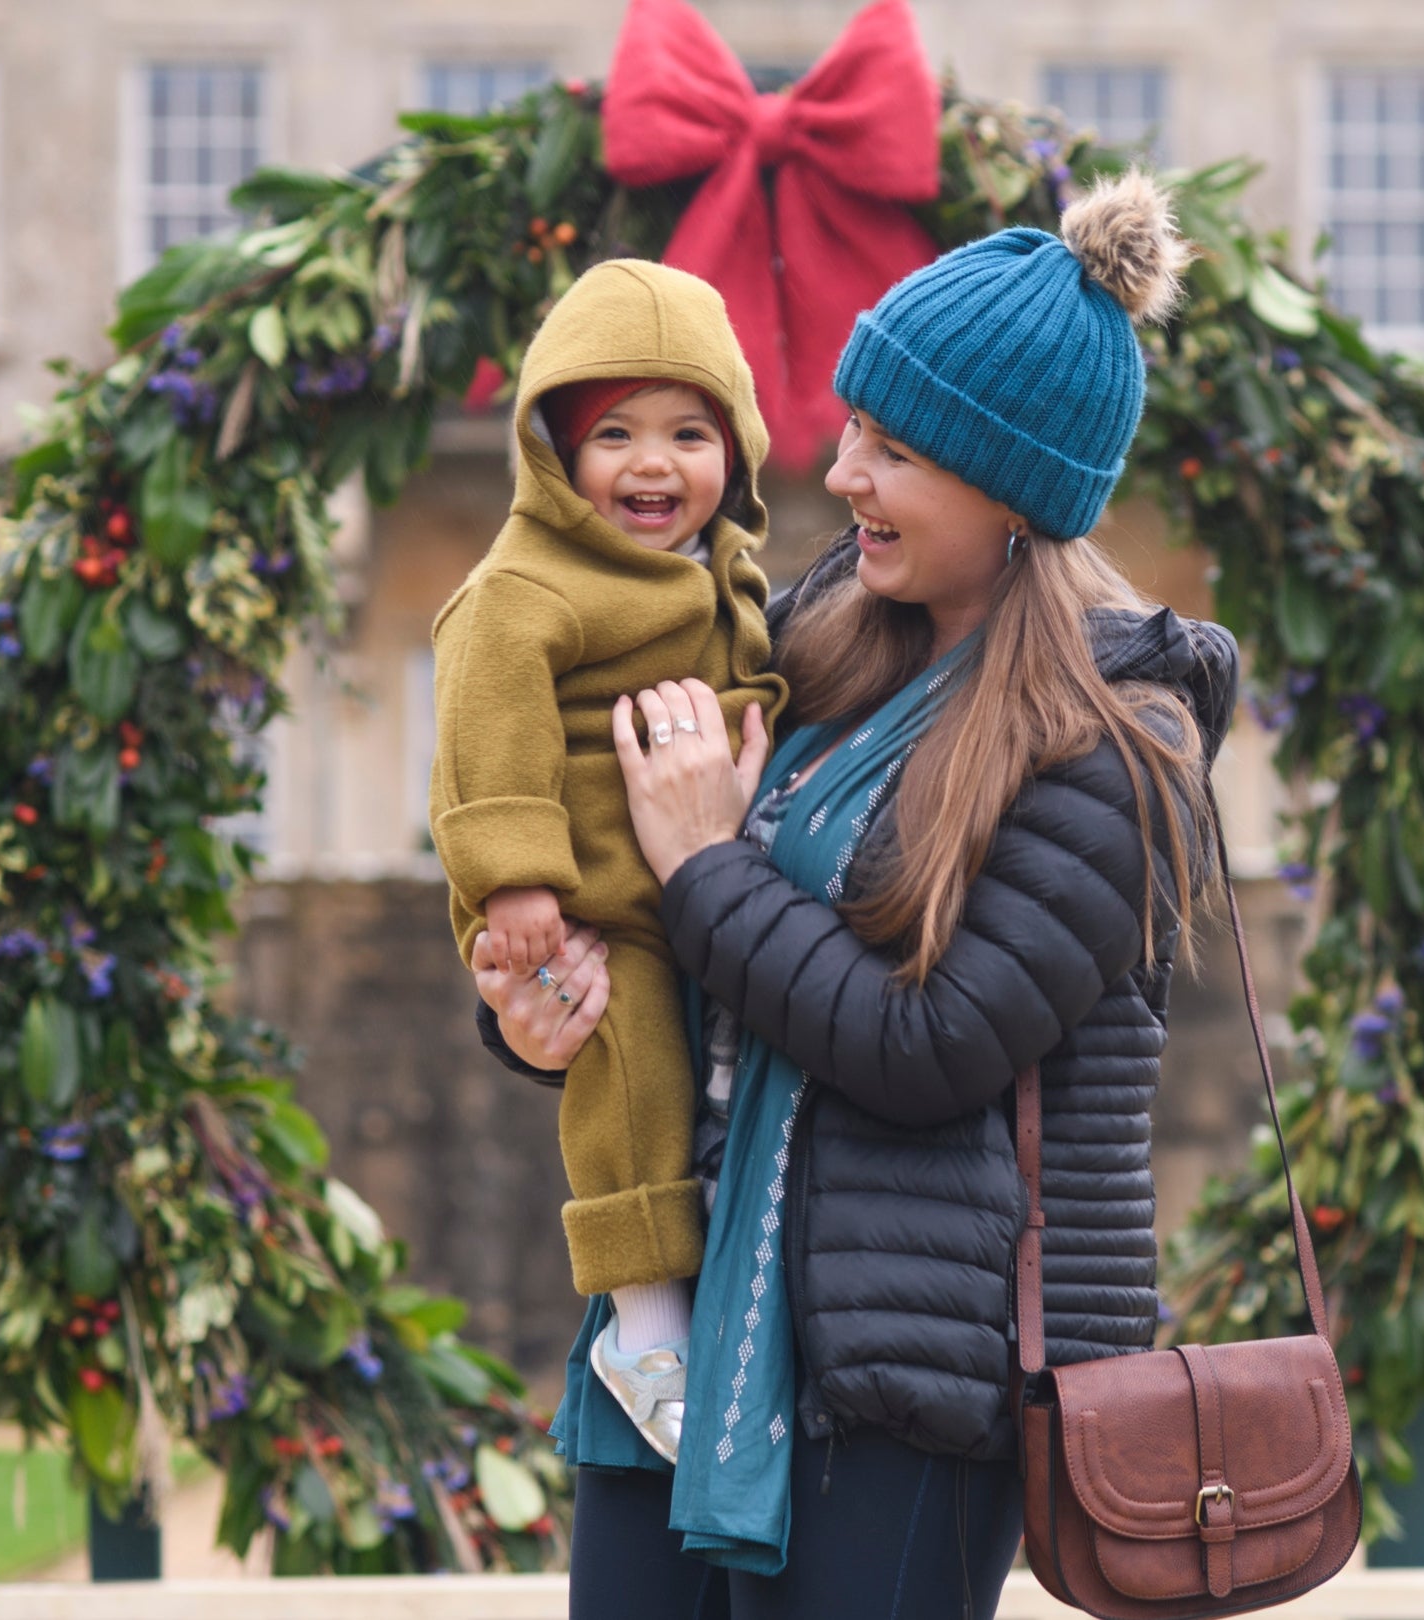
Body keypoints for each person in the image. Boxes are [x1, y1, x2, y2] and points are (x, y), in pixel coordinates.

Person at [472, 171, 1236, 1619]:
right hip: (680, 1338)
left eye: (893, 451)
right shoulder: (811, 648)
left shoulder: (1117, 751)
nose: (843, 476)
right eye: (855, 432)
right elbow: (675, 960)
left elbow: (926, 1046)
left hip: (903, 1386)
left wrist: (706, 861)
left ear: (1008, 489)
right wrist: (537, 1004)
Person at [430, 258, 789, 1458]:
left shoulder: (728, 568)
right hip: (592, 906)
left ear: (736, 448)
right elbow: (490, 734)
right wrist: (517, 881)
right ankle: (641, 1324)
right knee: (629, 1082)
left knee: (701, 1086)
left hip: (710, 892)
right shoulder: (524, 586)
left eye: (690, 432)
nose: (652, 463)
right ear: (551, 453)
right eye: (614, 434)